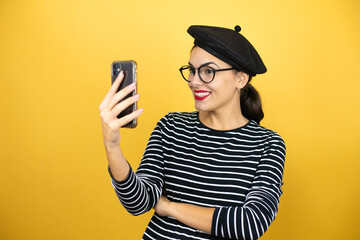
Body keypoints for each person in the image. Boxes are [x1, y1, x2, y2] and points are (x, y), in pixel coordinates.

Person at [99, 25, 286, 240]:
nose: (194, 81)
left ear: (240, 79)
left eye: (208, 71)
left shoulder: (267, 144)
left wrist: (169, 207)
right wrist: (112, 147)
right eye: (192, 70)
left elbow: (250, 224)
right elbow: (139, 203)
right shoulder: (171, 127)